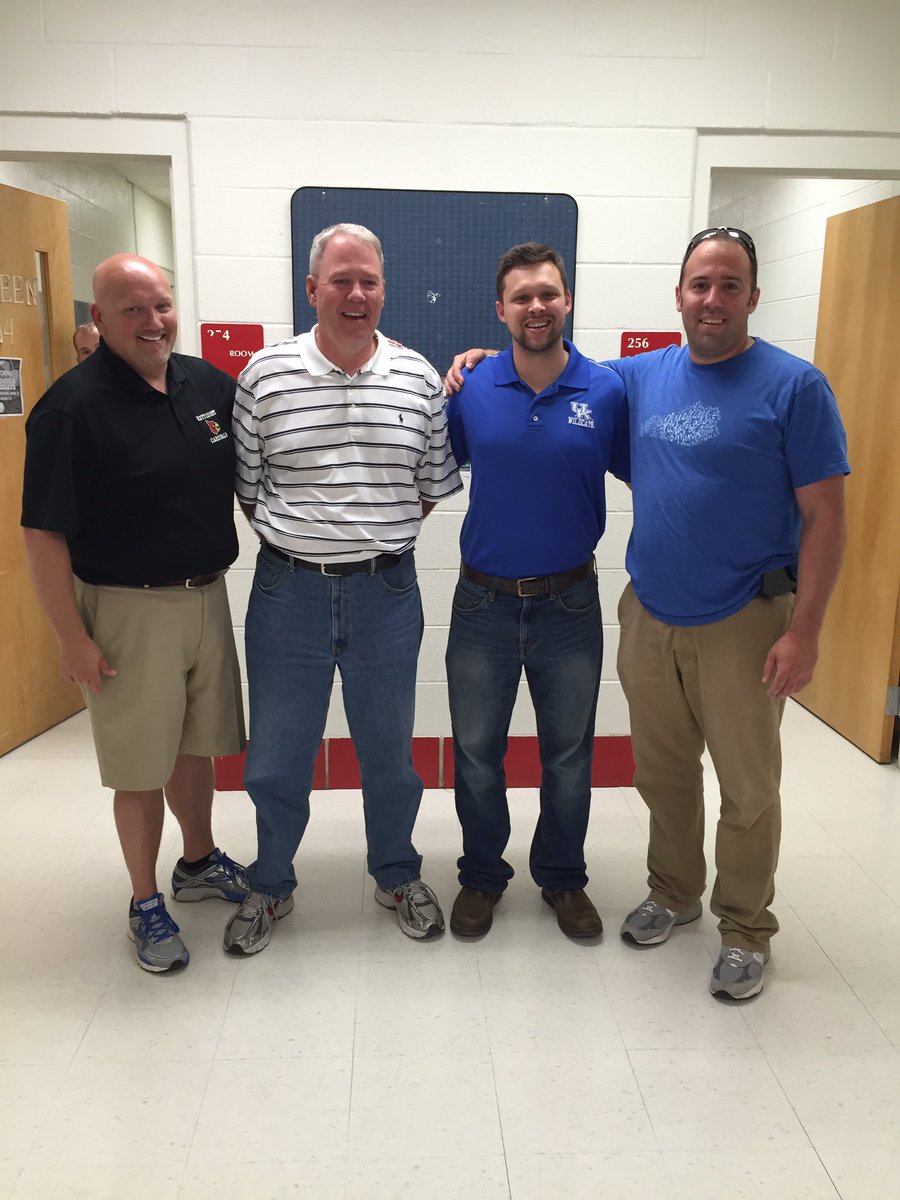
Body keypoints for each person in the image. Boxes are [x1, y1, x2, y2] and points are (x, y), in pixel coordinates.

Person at [445, 227, 847, 999]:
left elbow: (827, 516)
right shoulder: (639, 377)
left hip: (744, 618)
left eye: (730, 285)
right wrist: (469, 359)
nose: (713, 299)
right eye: (700, 284)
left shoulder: (793, 387)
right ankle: (671, 893)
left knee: (747, 786)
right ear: (678, 295)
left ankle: (744, 927)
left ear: (753, 297)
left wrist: (806, 629)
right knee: (663, 775)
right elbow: (538, 366)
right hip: (648, 612)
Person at [225, 223, 462, 956]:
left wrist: (370, 541)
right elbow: (250, 489)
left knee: (390, 753)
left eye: (369, 282)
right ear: (312, 289)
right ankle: (270, 883)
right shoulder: (264, 377)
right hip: (286, 594)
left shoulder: (420, 379)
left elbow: (428, 489)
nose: (356, 295)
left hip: (385, 596)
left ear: (383, 290)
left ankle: (396, 873)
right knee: (275, 757)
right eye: (340, 280)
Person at [22, 254, 248, 975]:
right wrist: (71, 639)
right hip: (126, 609)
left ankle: (198, 859)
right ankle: (144, 900)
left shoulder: (207, 384)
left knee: (194, 746)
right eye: (132, 310)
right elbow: (43, 534)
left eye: (161, 305)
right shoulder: (70, 409)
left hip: (207, 598)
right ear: (99, 319)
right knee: (138, 766)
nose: (153, 322)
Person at [444, 243, 628, 940]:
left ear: (567, 300)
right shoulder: (473, 388)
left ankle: (562, 877)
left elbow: (652, 472)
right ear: (501, 311)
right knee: (477, 753)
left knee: (568, 755)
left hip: (569, 605)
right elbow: (434, 469)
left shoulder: (605, 390)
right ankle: (483, 875)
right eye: (521, 297)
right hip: (483, 605)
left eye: (548, 293)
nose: (536, 307)